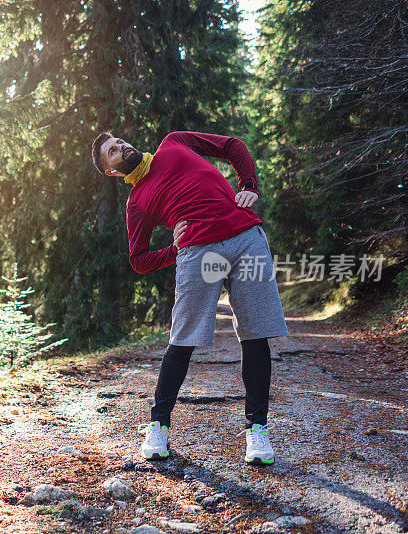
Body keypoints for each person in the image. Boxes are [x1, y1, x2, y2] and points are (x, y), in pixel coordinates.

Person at [90, 130, 290, 465]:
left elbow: (232, 146)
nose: (121, 147)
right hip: (198, 254)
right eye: (112, 151)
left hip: (246, 239)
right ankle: (159, 426)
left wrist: (249, 185)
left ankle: (257, 432)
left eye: (119, 142)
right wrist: (173, 249)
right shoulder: (137, 201)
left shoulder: (173, 143)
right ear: (112, 171)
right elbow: (138, 259)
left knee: (256, 336)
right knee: (182, 341)